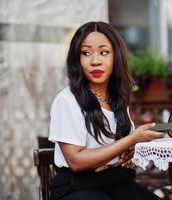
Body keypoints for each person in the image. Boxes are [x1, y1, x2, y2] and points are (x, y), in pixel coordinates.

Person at [48, 21, 163, 200]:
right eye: (86, 53)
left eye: (104, 52)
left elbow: (118, 147)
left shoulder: (117, 97)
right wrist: (130, 140)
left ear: (116, 56)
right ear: (76, 59)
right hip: (76, 186)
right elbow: (76, 162)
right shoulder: (67, 100)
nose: (95, 61)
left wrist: (130, 151)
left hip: (115, 180)